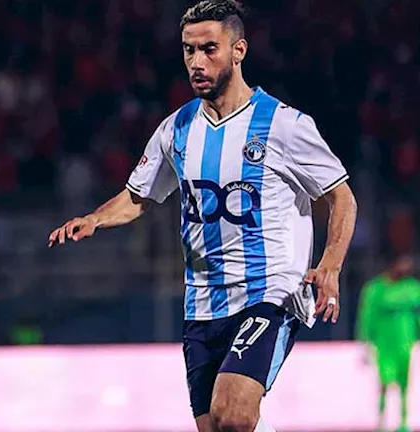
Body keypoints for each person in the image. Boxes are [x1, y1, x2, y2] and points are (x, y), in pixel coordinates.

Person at [48, 1, 358, 431]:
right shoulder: (176, 128)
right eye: (188, 50)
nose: (196, 62)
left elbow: (342, 197)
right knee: (216, 426)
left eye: (209, 49)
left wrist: (330, 265)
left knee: (234, 413)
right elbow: (138, 196)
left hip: (268, 292)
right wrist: (95, 218)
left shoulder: (283, 125)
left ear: (238, 50)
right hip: (202, 302)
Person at [357, 254, 420, 432]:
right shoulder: (376, 289)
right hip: (384, 342)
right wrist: (365, 339)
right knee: (384, 381)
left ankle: (404, 422)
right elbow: (367, 315)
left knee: (405, 382)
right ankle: (381, 421)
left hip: (405, 340)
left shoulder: (412, 287)